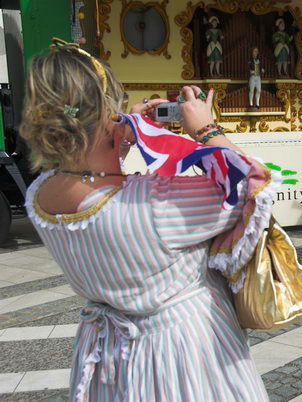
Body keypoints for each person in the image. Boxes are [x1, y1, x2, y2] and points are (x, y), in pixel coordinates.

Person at [20, 41, 271, 400]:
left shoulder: (41, 195)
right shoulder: (155, 203)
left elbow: (88, 174)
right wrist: (206, 129)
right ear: (108, 116)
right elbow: (251, 186)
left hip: (112, 358)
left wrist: (118, 138)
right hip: (185, 358)